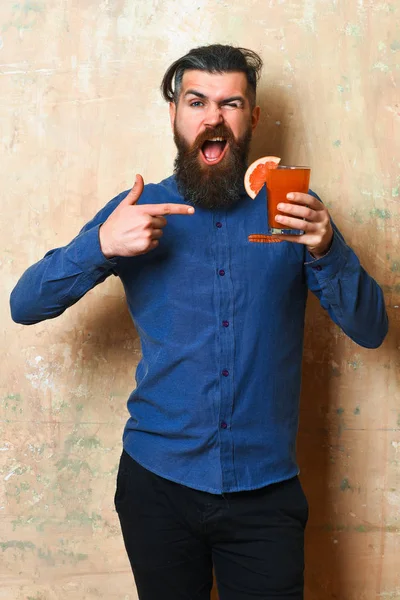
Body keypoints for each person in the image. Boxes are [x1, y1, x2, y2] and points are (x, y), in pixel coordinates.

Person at [10, 44, 388, 600]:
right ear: (174, 113)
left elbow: (372, 329)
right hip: (157, 485)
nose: (213, 118)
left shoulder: (295, 210)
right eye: (196, 101)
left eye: (231, 103)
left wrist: (328, 249)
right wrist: (100, 245)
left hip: (266, 493)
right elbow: (25, 305)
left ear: (252, 117)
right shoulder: (136, 212)